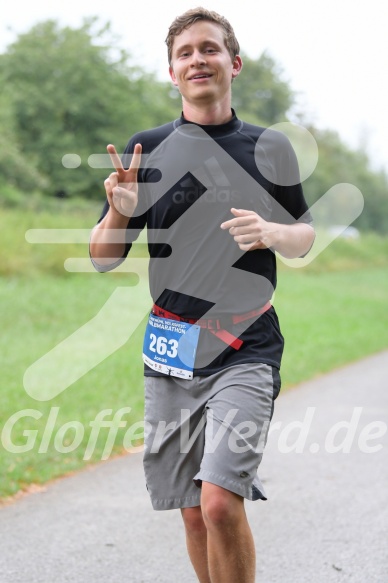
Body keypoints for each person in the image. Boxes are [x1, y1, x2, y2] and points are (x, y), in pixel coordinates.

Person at [90, 7, 315, 583]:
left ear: (232, 63)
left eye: (209, 48)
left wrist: (270, 231)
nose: (198, 59)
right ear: (172, 72)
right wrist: (118, 212)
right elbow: (102, 256)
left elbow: (303, 237)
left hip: (246, 343)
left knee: (218, 500)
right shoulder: (148, 149)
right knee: (192, 513)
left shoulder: (270, 148)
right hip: (171, 347)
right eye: (185, 52)